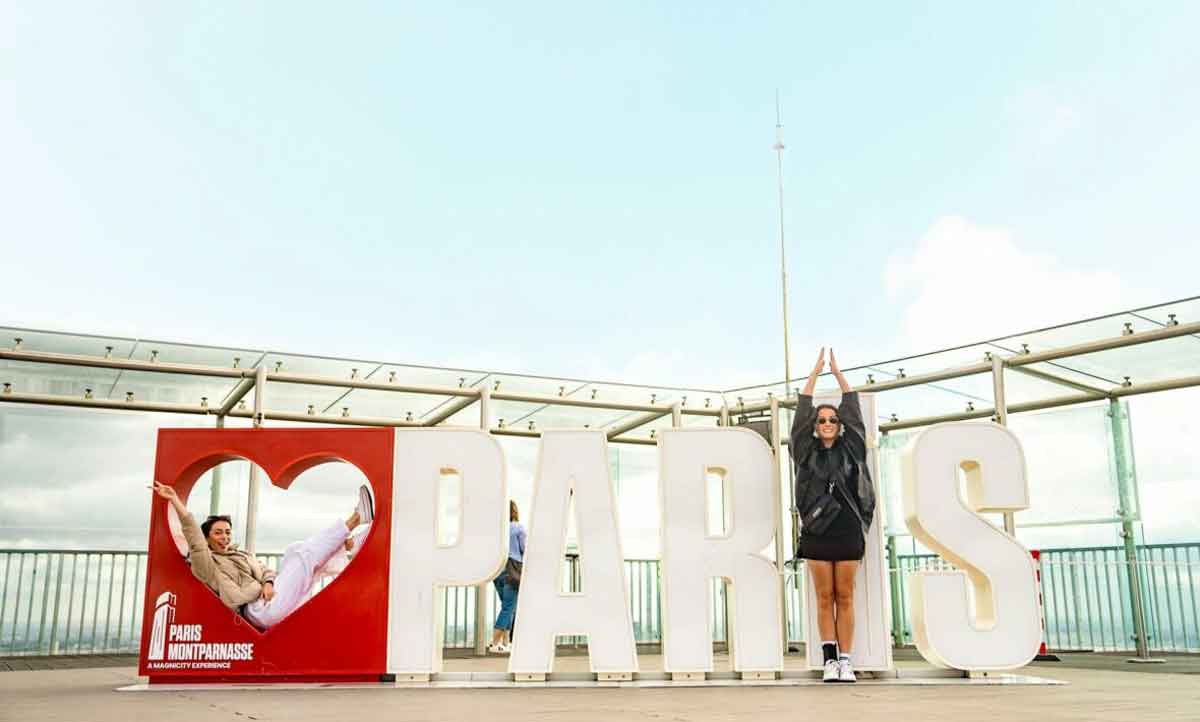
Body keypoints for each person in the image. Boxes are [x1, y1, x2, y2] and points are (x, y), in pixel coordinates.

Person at [152, 481, 374, 631]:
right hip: (258, 610)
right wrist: (175, 501)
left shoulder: (243, 554)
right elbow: (194, 539)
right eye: (217, 533)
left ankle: (350, 547)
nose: (224, 537)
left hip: (270, 596)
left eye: (227, 532)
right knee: (303, 557)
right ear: (207, 538)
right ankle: (355, 520)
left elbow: (267, 571)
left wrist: (268, 582)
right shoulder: (207, 564)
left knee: (294, 551)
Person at [789, 348, 876, 683]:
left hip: (848, 528)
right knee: (824, 597)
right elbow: (799, 418)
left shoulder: (852, 448)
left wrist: (838, 374)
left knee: (846, 595)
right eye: (821, 419)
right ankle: (829, 662)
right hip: (816, 530)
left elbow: (853, 412)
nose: (827, 423)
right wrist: (813, 374)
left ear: (840, 426)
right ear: (815, 425)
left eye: (832, 420)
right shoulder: (804, 452)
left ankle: (845, 661)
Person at [488, 500, 525, 654]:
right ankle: (494, 643)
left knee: (508, 607)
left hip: (497, 571)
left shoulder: (495, 529)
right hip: (512, 571)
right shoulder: (518, 528)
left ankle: (506, 642)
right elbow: (525, 548)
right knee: (509, 607)